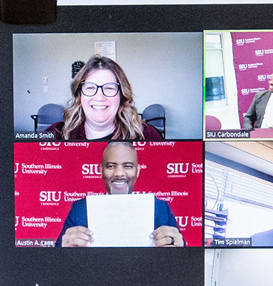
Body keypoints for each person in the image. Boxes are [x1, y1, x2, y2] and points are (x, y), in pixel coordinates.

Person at [55, 142, 184, 247]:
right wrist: (63, 249)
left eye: (127, 166)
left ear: (137, 171)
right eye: (111, 166)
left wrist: (178, 247)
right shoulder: (80, 208)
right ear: (101, 171)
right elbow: (56, 262)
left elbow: (180, 263)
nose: (119, 173)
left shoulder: (161, 208)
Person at [47, 55, 163, 141]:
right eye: (90, 87)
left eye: (109, 88)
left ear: (122, 95)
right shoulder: (56, 134)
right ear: (79, 95)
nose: (99, 97)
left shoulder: (147, 135)